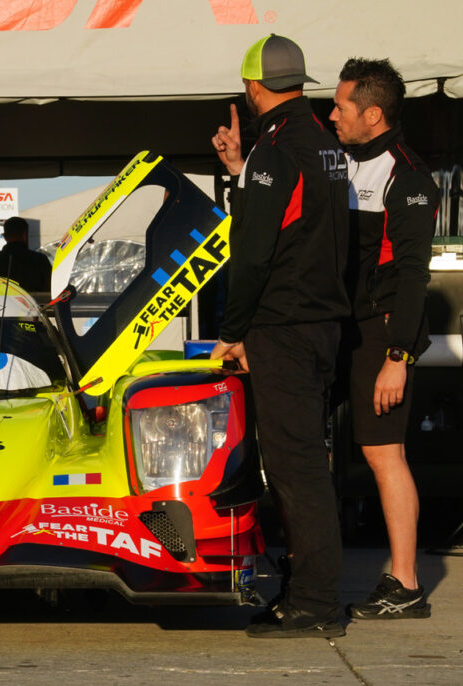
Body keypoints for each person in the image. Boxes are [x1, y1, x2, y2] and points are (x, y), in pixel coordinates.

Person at [209, 34, 351, 638]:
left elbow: (254, 253)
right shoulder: (323, 142)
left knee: (295, 470)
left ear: (252, 87)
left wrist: (232, 330)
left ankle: (315, 603)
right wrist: (243, 169)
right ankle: (307, 591)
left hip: (284, 327)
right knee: (306, 465)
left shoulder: (277, 148)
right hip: (322, 322)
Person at [330, 58, 435, 620]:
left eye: (342, 106)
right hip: (337, 327)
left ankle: (405, 582)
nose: (332, 113)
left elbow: (414, 275)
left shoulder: (409, 176)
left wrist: (398, 356)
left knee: (383, 452)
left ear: (373, 113)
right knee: (319, 447)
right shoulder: (338, 159)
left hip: (383, 332)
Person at [0, 216, 51, 294]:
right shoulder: (40, 260)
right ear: (24, 235)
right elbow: (49, 289)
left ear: (4, 236)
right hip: (36, 305)